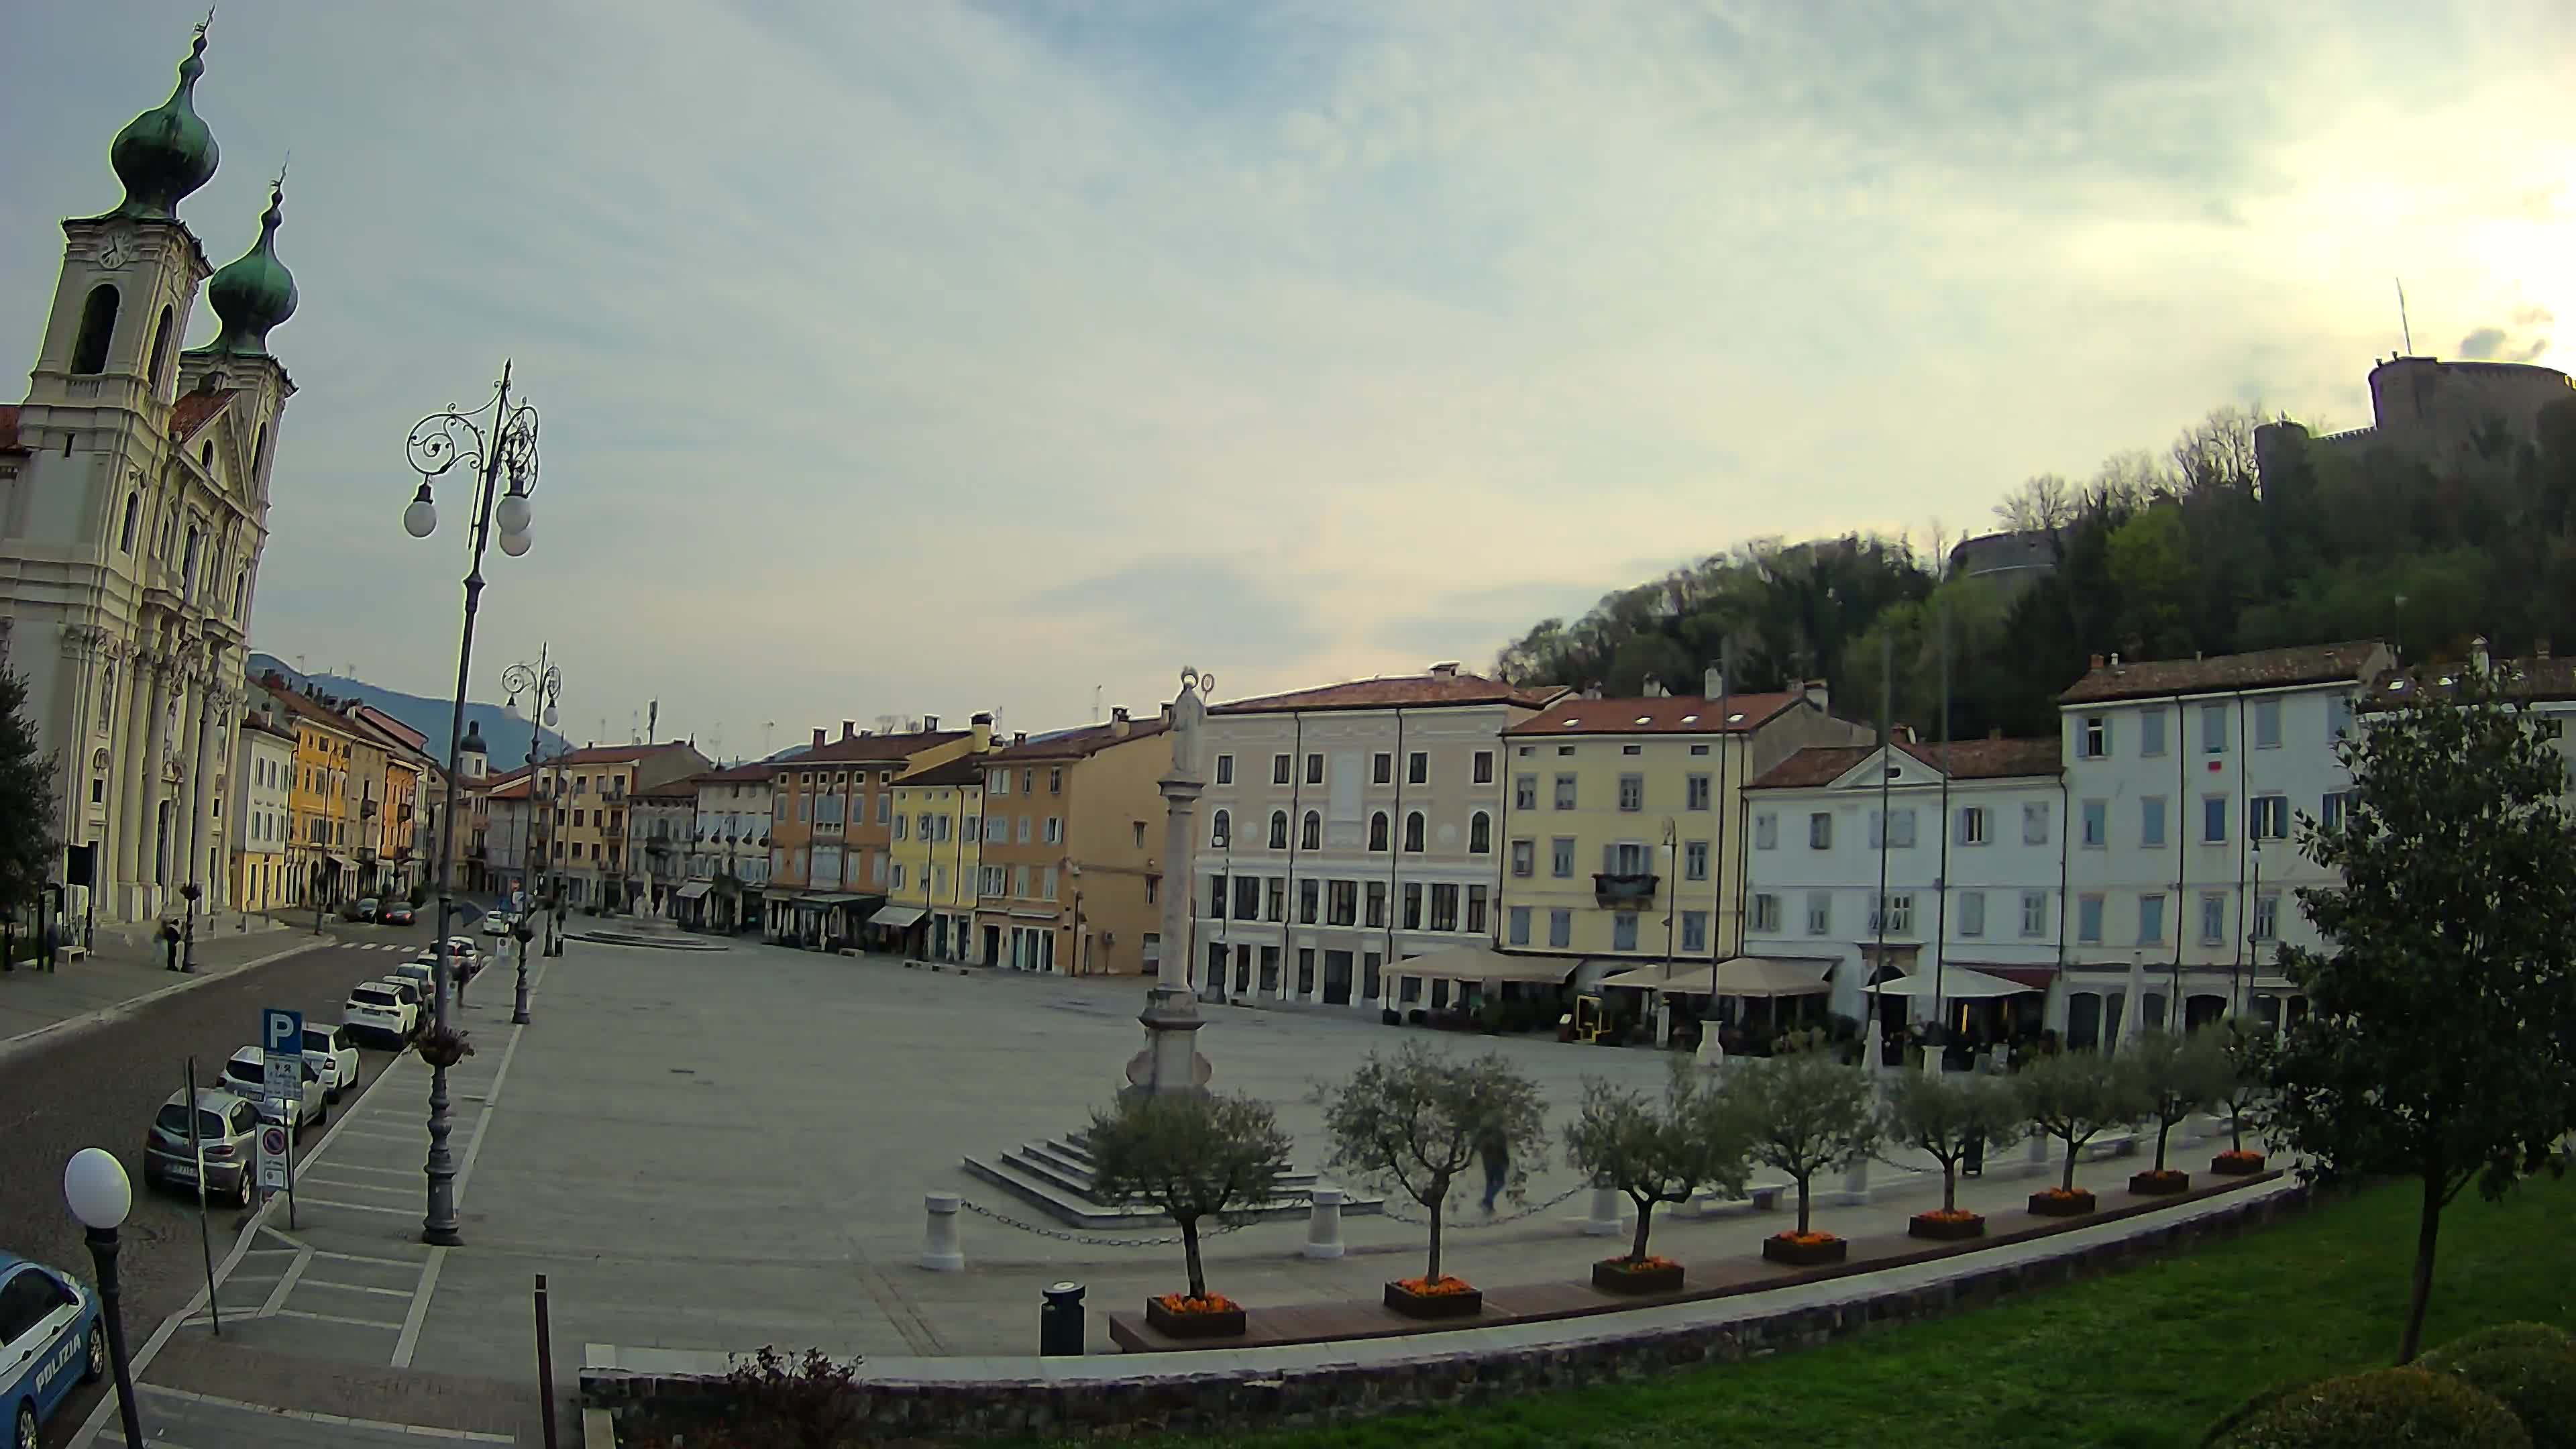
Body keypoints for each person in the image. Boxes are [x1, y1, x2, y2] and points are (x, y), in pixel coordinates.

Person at [1478, 1126, 1510, 1214]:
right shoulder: (1498, 1134)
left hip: (1489, 1161)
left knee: (1491, 1183)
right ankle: (1487, 1201)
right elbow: (1503, 1149)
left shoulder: (1486, 1133)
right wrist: (1506, 1161)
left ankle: (1488, 1205)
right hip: (1496, 1162)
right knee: (1499, 1182)